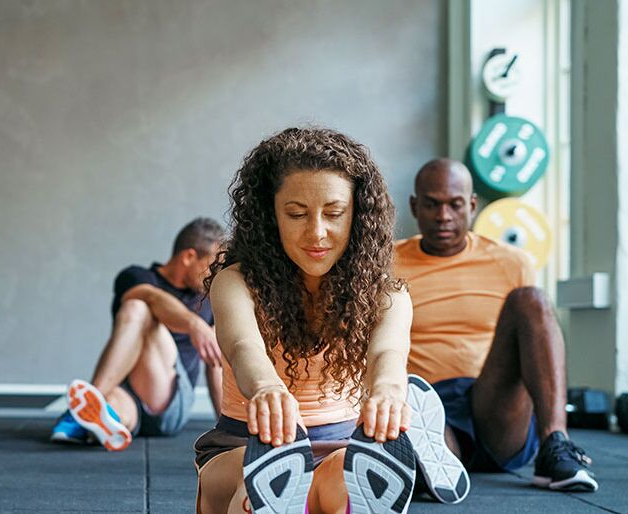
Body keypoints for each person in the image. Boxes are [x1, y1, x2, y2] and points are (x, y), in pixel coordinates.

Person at [194, 127, 465, 514]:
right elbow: (243, 347)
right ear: (270, 215)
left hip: (340, 443)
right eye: (296, 214)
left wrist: (388, 392)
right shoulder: (236, 283)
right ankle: (275, 492)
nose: (317, 232)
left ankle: (332, 491)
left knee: (344, 476)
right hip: (247, 443)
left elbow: (387, 354)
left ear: (358, 216)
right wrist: (267, 389)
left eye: (334, 214)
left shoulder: (387, 296)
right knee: (257, 478)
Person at [393, 157, 597, 492]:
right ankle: (433, 463)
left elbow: (534, 341)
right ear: (415, 206)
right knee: (422, 420)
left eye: (455, 205)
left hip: (494, 403)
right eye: (431, 204)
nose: (443, 216)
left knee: (531, 300)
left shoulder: (512, 262)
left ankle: (556, 443)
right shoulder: (384, 263)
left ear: (472, 206)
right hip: (426, 400)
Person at [51, 218, 226, 451]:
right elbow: (150, 296)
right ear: (188, 257)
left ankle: (79, 411)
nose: (215, 274)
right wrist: (193, 323)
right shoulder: (136, 277)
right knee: (138, 306)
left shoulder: (209, 299)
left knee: (140, 308)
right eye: (212, 265)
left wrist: (227, 427)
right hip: (131, 393)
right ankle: (107, 421)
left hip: (171, 403)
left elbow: (216, 364)